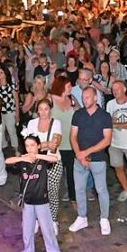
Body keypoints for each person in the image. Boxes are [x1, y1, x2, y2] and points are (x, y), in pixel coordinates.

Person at [7, 136, 65, 252]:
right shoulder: (22, 161)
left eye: (32, 145)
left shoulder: (42, 160)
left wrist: (38, 155)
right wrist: (22, 158)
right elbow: (8, 161)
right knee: (27, 230)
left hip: (42, 202)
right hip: (27, 202)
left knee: (47, 230)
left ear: (38, 146)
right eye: (27, 145)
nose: (30, 148)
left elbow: (55, 159)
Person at [69, 87, 113, 235]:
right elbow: (73, 136)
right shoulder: (78, 114)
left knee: (101, 190)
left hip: (98, 159)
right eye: (83, 97)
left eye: (88, 97)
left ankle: (104, 218)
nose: (84, 100)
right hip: (79, 159)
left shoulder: (105, 116)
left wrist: (85, 153)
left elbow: (107, 140)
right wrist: (79, 155)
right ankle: (82, 217)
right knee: (79, 189)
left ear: (95, 98)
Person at [21, 98, 63, 227]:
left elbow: (54, 146)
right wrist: (46, 144)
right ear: (37, 110)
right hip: (35, 164)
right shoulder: (32, 123)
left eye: (46, 109)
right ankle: (37, 220)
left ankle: (53, 221)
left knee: (52, 192)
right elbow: (28, 145)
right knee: (35, 193)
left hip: (52, 163)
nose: (43, 112)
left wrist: (38, 146)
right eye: (41, 109)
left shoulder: (56, 123)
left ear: (50, 109)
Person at [49, 77, 78, 209]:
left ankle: (73, 199)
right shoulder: (51, 99)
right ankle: (51, 202)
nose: (70, 87)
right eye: (68, 86)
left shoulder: (71, 99)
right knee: (54, 176)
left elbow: (80, 112)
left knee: (72, 175)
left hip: (71, 143)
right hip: (56, 146)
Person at [0, 65, 19, 151]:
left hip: (9, 111)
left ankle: (16, 148)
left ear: (5, 74)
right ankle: (3, 147)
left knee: (11, 131)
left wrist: (17, 113)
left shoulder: (11, 85)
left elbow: (16, 100)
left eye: (1, 72)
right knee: (0, 131)